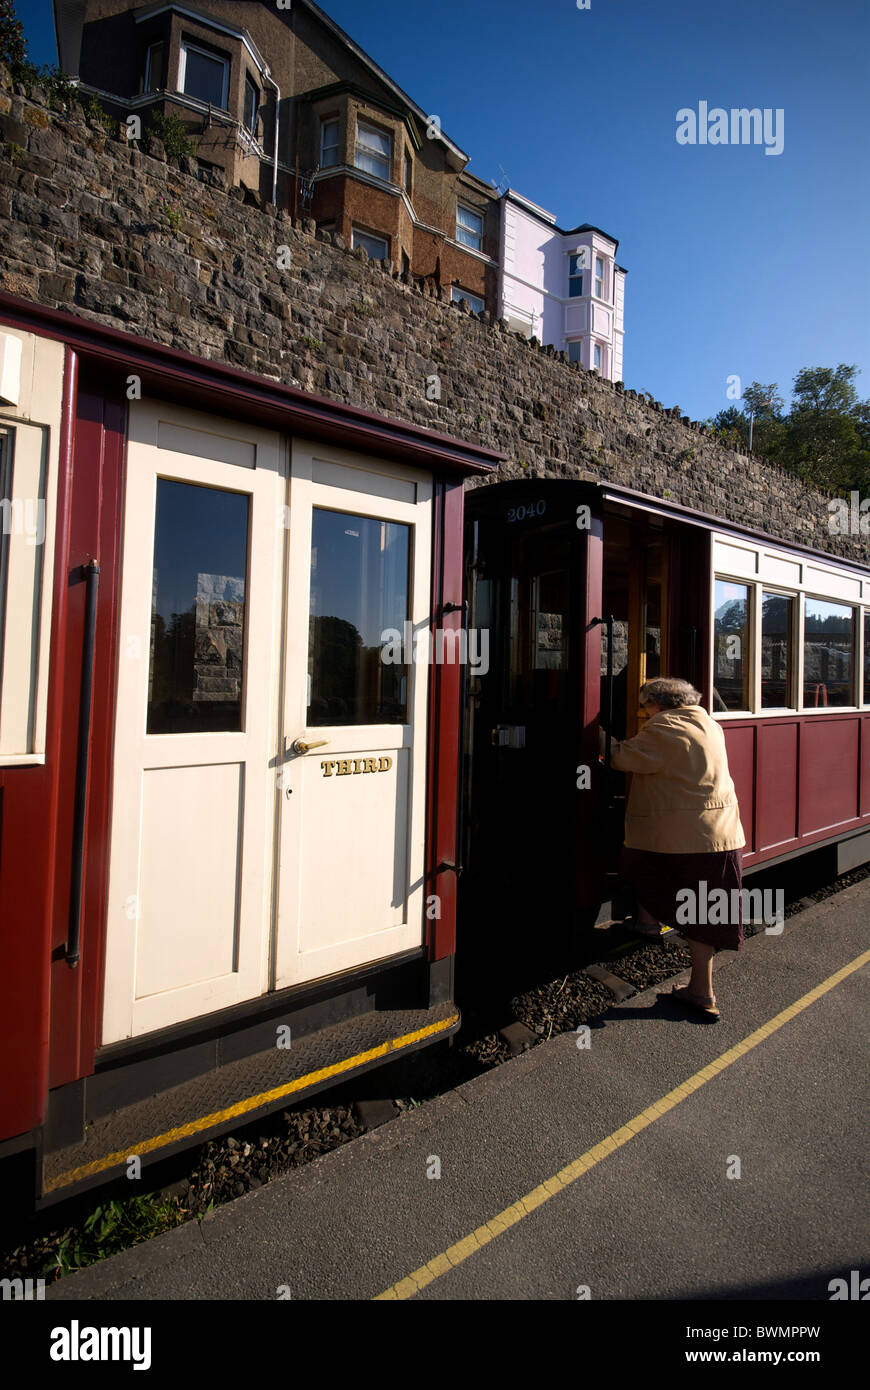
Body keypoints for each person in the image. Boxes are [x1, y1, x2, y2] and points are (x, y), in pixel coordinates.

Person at [606, 677, 746, 1019]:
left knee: (645, 868)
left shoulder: (666, 727)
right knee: (701, 910)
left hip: (686, 838)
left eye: (645, 705)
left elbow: (622, 758)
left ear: (659, 703)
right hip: (720, 835)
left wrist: (595, 737)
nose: (644, 712)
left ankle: (700, 990)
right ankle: (655, 932)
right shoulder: (707, 723)